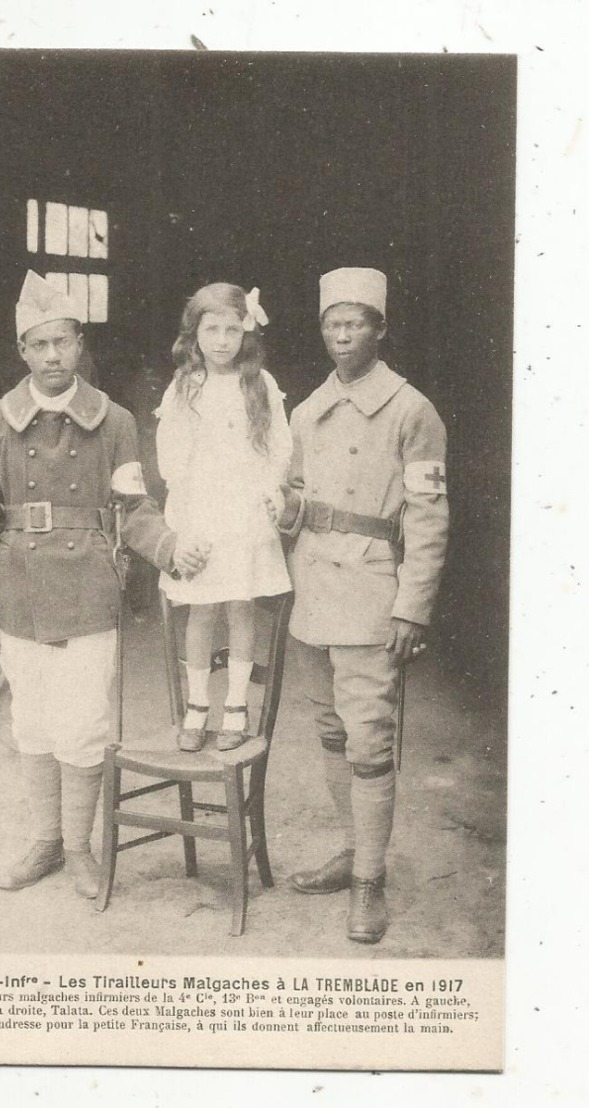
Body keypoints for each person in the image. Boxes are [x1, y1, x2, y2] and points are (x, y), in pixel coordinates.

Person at [0, 270, 207, 899]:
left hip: (88, 592)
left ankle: (77, 849)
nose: (52, 357)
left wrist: (171, 549)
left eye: (63, 343)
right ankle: (45, 842)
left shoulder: (115, 420)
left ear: (79, 345)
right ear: (23, 352)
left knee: (84, 722)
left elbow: (133, 509)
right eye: (39, 346)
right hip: (17, 592)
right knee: (32, 722)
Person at [267, 267, 449, 943]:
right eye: (331, 325)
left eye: (354, 324)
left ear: (379, 328)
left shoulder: (410, 409)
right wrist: (279, 512)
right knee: (330, 730)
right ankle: (351, 850)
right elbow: (289, 491)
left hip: (372, 587)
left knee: (369, 736)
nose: (342, 336)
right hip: (311, 587)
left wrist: (412, 607)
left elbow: (428, 516)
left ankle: (370, 879)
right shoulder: (306, 409)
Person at [155, 283, 292, 752]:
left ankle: (236, 704)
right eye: (211, 330)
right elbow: (170, 455)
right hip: (202, 514)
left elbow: (279, 448)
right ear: (194, 335)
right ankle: (197, 706)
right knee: (201, 610)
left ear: (246, 333)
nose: (221, 341)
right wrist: (185, 520)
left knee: (241, 608)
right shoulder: (184, 387)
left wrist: (271, 490)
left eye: (232, 330)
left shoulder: (260, 385)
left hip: (245, 515)